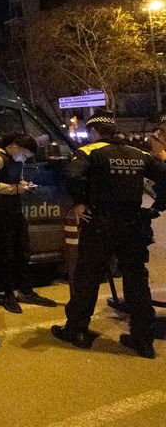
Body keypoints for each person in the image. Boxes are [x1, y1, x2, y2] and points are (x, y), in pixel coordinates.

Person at [52, 109, 166, 359]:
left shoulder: (90, 151)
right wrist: (157, 207)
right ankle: (143, 340)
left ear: (93, 131)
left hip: (100, 224)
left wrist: (80, 202)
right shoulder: (139, 153)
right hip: (133, 225)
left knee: (87, 277)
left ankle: (77, 331)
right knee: (136, 280)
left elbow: (72, 174)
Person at [0, 132, 57, 313]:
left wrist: (23, 185)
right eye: (24, 154)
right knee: (5, 253)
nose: (24, 158)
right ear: (14, 145)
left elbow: (15, 180)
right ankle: (8, 293)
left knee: (22, 250)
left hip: (14, 209)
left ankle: (25, 290)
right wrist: (13, 189)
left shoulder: (16, 160)